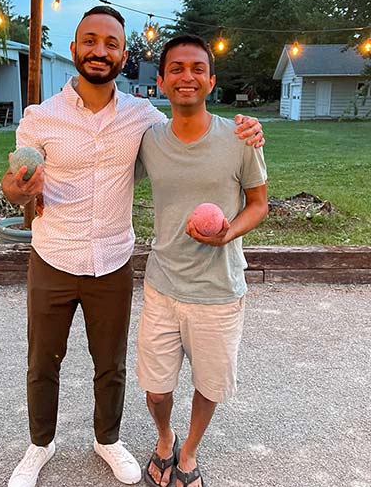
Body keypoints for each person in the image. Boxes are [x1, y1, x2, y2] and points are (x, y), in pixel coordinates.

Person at [1, 6, 265, 487]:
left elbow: (192, 126)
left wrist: (248, 129)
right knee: (43, 361)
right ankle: (40, 445)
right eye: (90, 40)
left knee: (112, 362)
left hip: (112, 260)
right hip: (54, 257)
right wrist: (20, 190)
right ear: (75, 47)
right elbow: (13, 187)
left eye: (111, 43)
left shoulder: (144, 118)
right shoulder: (40, 118)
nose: (100, 51)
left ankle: (107, 439)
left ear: (124, 54)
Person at [135, 34, 268, 487]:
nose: (186, 76)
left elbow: (259, 203)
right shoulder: (149, 140)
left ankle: (188, 450)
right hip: (163, 285)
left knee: (209, 385)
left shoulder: (239, 137)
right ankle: (165, 436)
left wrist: (227, 233)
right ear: (161, 81)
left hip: (218, 290)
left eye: (196, 69)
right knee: (156, 388)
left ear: (211, 81)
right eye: (176, 68)